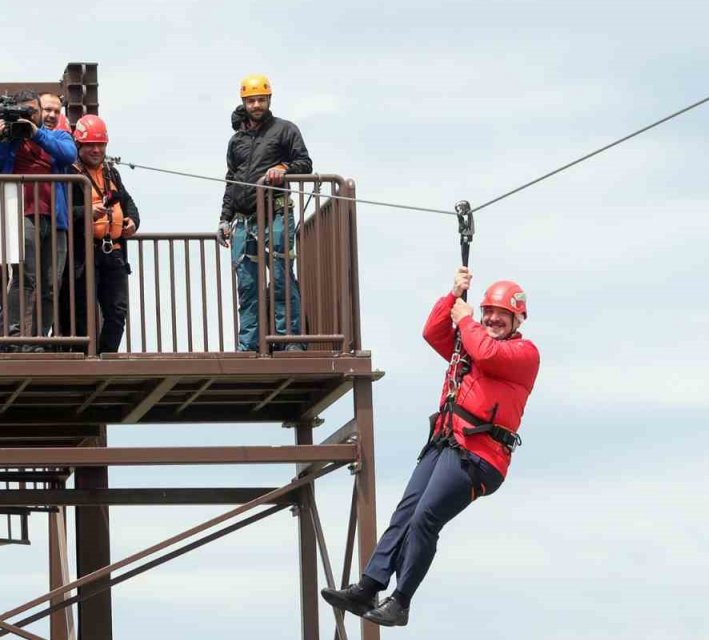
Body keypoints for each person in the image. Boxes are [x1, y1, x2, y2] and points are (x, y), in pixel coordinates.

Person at [321, 267, 540, 627]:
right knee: (405, 512)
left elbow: (485, 354)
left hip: (480, 455)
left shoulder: (523, 354)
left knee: (426, 518)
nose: (493, 319)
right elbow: (433, 332)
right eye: (489, 312)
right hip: (447, 442)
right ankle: (369, 586)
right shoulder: (471, 342)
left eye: (502, 314)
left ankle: (401, 601)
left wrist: (467, 320)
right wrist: (453, 296)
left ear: (517, 319)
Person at [216, 74, 312, 352]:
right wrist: (224, 219)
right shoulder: (236, 141)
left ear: (269, 99)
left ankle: (289, 341)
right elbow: (231, 180)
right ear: (244, 102)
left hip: (276, 214)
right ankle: (249, 347)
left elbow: (304, 163)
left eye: (261, 99)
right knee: (247, 287)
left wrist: (284, 169)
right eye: (251, 100)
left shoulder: (285, 130)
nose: (256, 104)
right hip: (243, 220)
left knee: (281, 278)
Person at [0, 89, 77, 351]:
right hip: (21, 214)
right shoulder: (10, 140)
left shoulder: (55, 135)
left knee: (50, 284)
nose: (27, 117)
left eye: (32, 111)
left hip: (55, 220)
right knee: (26, 277)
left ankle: (37, 339)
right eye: (22, 111)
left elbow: (69, 154)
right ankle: (15, 337)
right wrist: (1, 140)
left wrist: (36, 132)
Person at [58, 114, 139, 353]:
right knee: (82, 310)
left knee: (117, 310)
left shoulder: (111, 173)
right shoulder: (69, 173)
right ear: (79, 145)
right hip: (85, 254)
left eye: (100, 144)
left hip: (113, 252)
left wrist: (133, 220)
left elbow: (127, 201)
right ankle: (85, 357)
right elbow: (62, 212)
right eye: (90, 144)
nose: (96, 149)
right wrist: (86, 212)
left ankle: (107, 355)